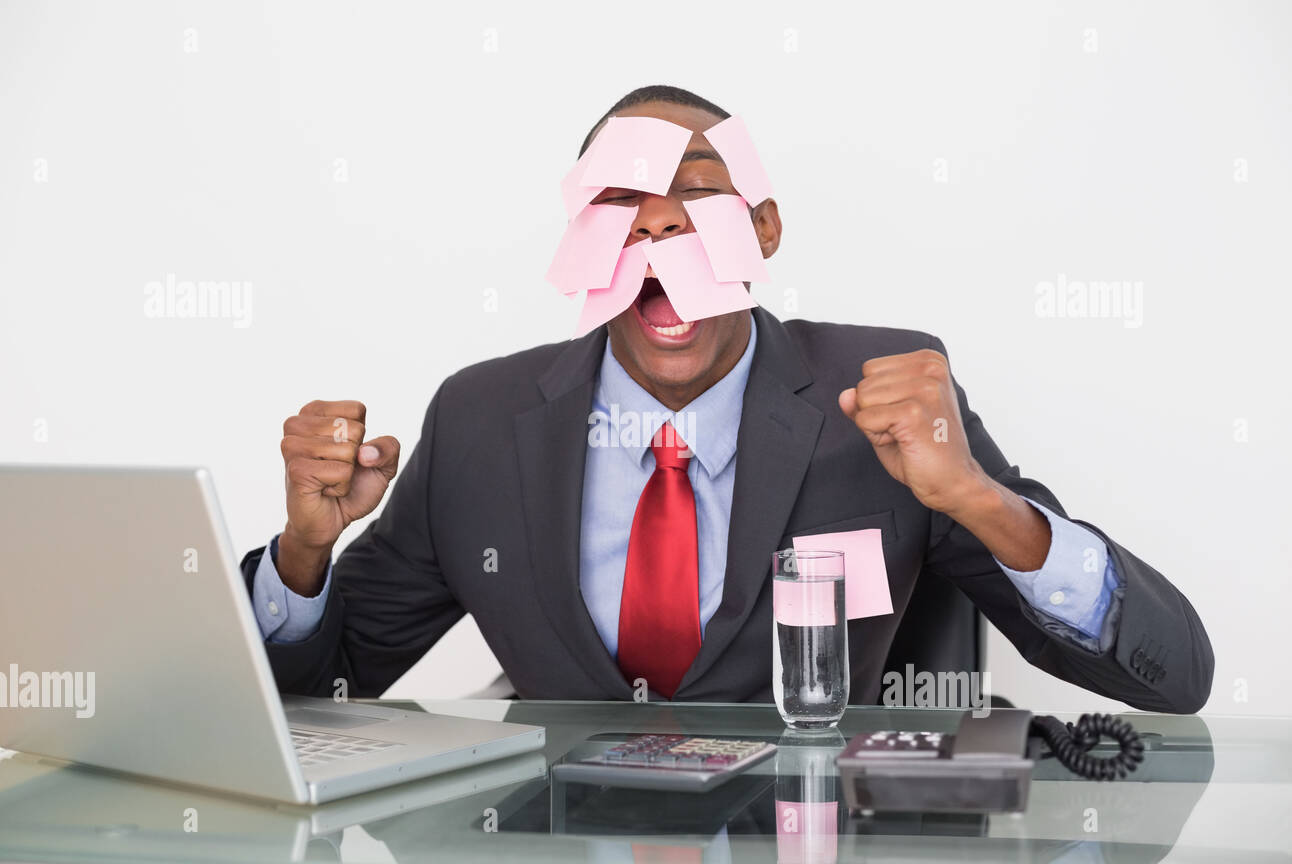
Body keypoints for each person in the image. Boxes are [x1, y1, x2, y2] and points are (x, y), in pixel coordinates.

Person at [241, 85, 1212, 713]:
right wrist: (305, 550)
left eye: (698, 203)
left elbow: (1173, 672)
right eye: (625, 208)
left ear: (765, 230)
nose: (661, 231)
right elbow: (324, 688)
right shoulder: (481, 419)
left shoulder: (883, 390)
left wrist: (974, 498)